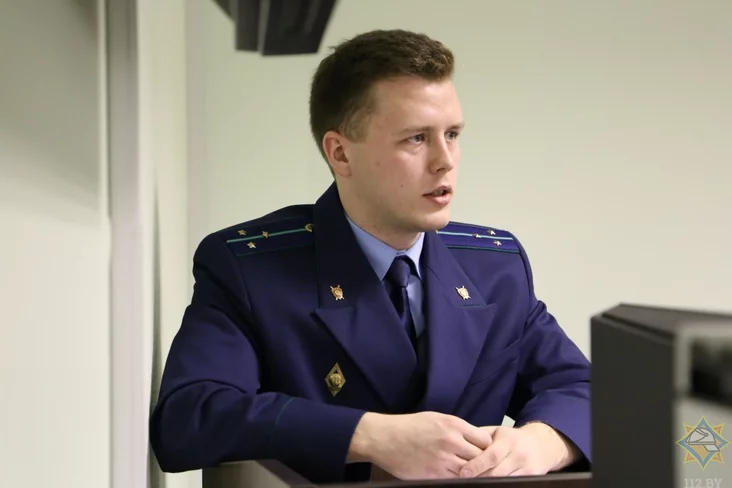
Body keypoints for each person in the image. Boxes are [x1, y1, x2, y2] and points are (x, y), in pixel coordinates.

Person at [149, 29, 591, 484]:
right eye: (416, 138)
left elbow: (585, 390)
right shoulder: (248, 269)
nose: (445, 160)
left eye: (452, 134)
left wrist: (543, 442)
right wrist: (367, 436)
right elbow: (189, 416)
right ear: (341, 153)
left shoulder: (494, 267)